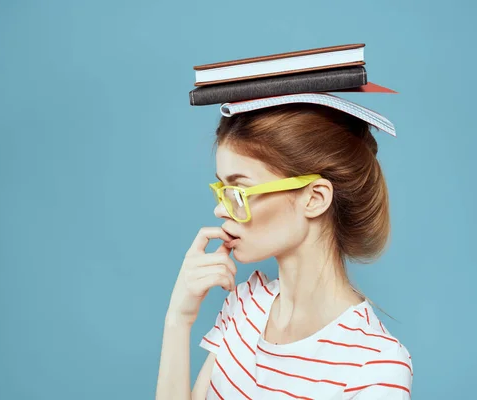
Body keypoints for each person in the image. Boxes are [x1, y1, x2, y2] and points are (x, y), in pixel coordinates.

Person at [156, 102, 413, 399]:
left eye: (239, 191)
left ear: (314, 198)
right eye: (222, 191)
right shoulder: (246, 304)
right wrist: (178, 319)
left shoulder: (376, 366)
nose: (220, 209)